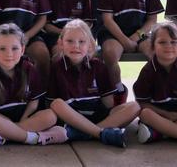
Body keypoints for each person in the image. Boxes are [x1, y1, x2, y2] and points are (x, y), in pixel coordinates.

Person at [0, 23, 68, 148]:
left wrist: (22, 120)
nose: (9, 54)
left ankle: (3, 137)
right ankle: (33, 138)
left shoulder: (29, 69)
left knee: (50, 115)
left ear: (23, 49)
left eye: (15, 48)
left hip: (24, 119)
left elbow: (34, 102)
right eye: (2, 49)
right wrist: (7, 123)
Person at [48, 20, 137, 148]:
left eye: (81, 42)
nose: (76, 46)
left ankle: (86, 133)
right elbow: (51, 103)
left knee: (135, 106)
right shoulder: (56, 68)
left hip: (98, 116)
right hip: (72, 118)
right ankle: (101, 133)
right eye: (70, 41)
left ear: (90, 45)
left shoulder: (99, 66)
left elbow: (108, 104)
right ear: (60, 44)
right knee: (57, 104)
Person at [97, 0, 164, 105]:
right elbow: (107, 20)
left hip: (140, 34)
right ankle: (118, 90)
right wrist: (124, 40)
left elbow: (152, 19)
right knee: (110, 54)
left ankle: (148, 90)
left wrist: (136, 37)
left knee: (156, 53)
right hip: (114, 34)